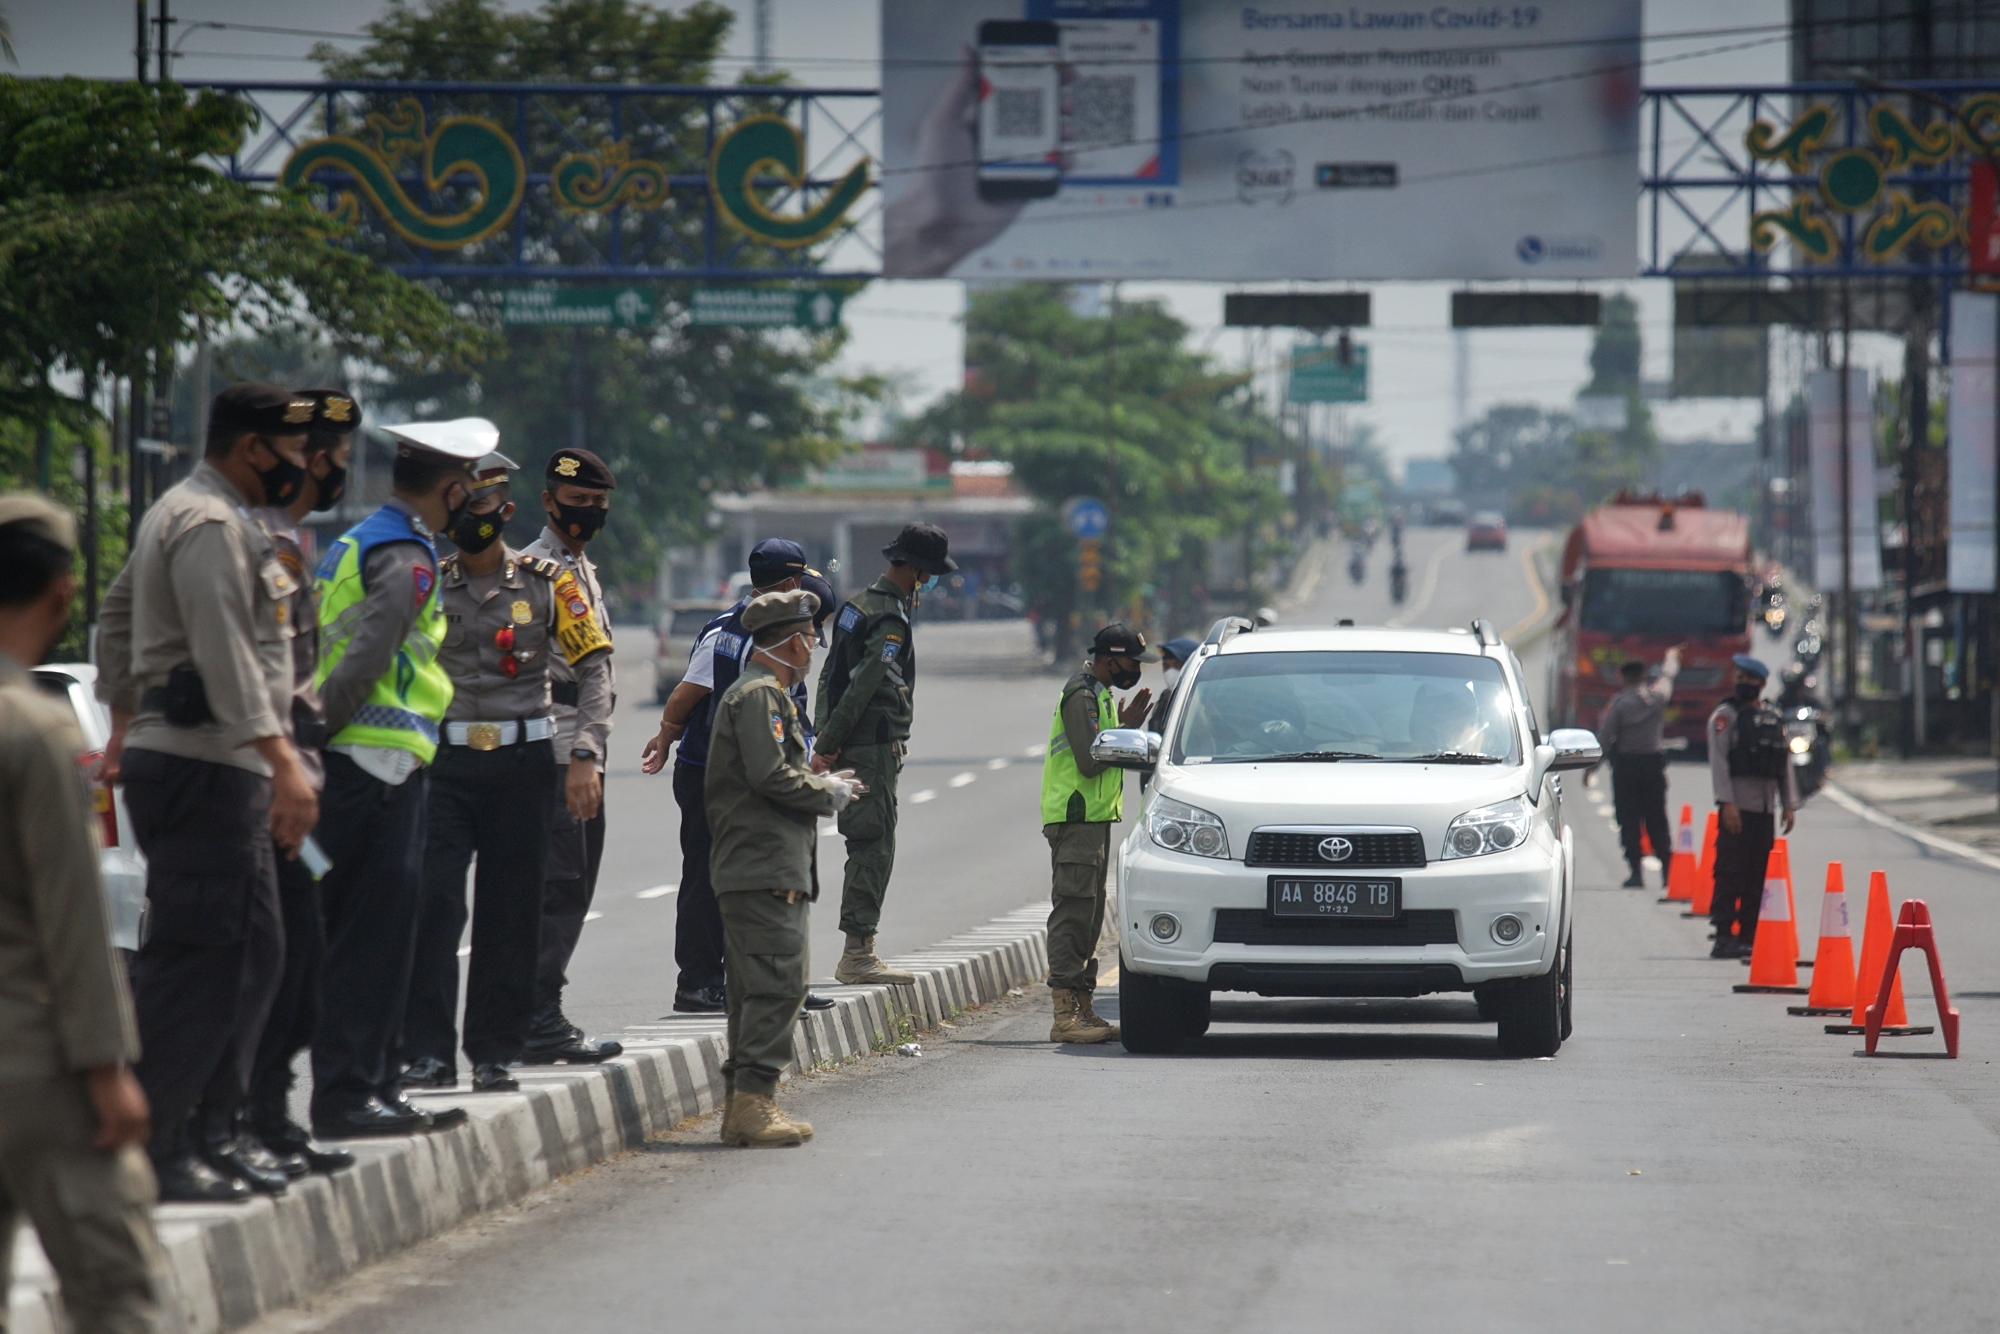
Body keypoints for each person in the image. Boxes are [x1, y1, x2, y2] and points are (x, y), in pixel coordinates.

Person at [95, 382, 320, 1202]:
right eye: (291, 454)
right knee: (199, 959)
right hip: (206, 763)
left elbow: (116, 617)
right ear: (253, 448)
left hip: (213, 762)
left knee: (251, 954)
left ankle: (207, 1130)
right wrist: (284, 760)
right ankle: (154, 1149)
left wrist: (124, 721)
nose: (300, 469)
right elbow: (226, 652)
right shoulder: (209, 523)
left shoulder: (190, 513)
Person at [0, 494, 166, 1334]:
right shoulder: (33, 732)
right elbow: (75, 918)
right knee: (118, 1292)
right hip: (33, 1065)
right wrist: (109, 1069)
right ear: (64, 594)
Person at [400, 451, 614, 1094]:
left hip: (525, 762)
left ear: (507, 511)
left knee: (512, 910)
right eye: (464, 505)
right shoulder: (429, 585)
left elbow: (596, 670)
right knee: (434, 907)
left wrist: (586, 753)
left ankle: (495, 1051)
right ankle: (429, 1053)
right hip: (445, 764)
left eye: (487, 506)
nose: (475, 518)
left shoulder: (549, 583)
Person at [307, 418, 490, 1138]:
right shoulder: (405, 557)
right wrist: (318, 733)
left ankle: (373, 1086)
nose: (471, 502)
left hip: (365, 763)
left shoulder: (361, 540)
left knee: (373, 935)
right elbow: (364, 663)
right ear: (450, 488)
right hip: (369, 764)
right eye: (469, 489)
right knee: (372, 940)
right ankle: (352, 1094)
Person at [241, 388, 358, 1178]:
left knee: (302, 961)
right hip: (255, 774)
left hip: (294, 769)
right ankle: (228, 1122)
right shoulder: (245, 536)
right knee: (256, 961)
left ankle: (267, 1116)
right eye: (327, 456)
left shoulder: (292, 539)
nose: (327, 470)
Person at [642, 539, 833, 1013]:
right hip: (719, 775)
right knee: (711, 878)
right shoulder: (741, 633)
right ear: (789, 583)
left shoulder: (744, 627)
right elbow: (687, 695)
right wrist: (667, 737)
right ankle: (700, 983)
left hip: (737, 772)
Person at [704, 589, 864, 1146]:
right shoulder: (759, 698)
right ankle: (753, 1102)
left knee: (758, 989)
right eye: (812, 636)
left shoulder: (761, 696)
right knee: (778, 986)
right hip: (761, 866)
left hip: (763, 865)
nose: (816, 646)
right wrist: (828, 792)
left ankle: (746, 1105)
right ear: (794, 640)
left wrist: (824, 786)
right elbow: (771, 776)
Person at [814, 522, 955, 986]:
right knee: (873, 844)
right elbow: (861, 687)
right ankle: (858, 952)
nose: (928, 582)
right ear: (914, 570)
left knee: (866, 840)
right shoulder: (889, 618)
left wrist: (824, 735)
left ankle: (859, 949)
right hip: (869, 746)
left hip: (853, 741)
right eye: (928, 574)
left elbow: (828, 678)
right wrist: (829, 745)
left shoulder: (858, 605)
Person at [520, 448, 624, 1065]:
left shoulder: (581, 568)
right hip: (559, 749)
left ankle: (535, 1014)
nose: (586, 514)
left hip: (581, 750)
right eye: (576, 503)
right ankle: (537, 1018)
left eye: (596, 505)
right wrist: (583, 754)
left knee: (573, 887)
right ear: (548, 503)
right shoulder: (537, 569)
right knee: (557, 890)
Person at [1042, 623, 1154, 1044]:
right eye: (1131, 662)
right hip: (1074, 817)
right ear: (1110, 659)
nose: (1135, 671)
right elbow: (1090, 762)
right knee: (1072, 913)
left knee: (1089, 916)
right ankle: (1064, 1015)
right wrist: (1127, 737)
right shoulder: (1082, 694)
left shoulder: (1100, 694)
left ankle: (1083, 1009)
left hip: (1093, 819)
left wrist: (1123, 726)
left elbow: (1097, 747)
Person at [1706, 655, 1798, 959]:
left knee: (1758, 874)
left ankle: (1749, 933)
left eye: (1749, 679)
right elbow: (1719, 763)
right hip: (1738, 808)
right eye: (1739, 678)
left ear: (1762, 683)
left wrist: (1788, 804)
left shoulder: (1773, 717)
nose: (1743, 684)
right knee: (1729, 871)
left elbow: (1784, 763)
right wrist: (1727, 803)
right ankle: (1723, 935)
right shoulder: (1725, 716)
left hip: (1765, 810)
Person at [1596, 644, 1683, 891]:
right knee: (1657, 819)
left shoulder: (1619, 704)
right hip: (1653, 767)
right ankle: (1667, 871)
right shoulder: (1656, 699)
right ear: (1644, 676)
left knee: (1629, 820)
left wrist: (1591, 767)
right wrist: (1671, 657)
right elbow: (1667, 677)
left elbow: (1604, 736)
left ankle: (1636, 873)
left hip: (1626, 769)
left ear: (1621, 677)